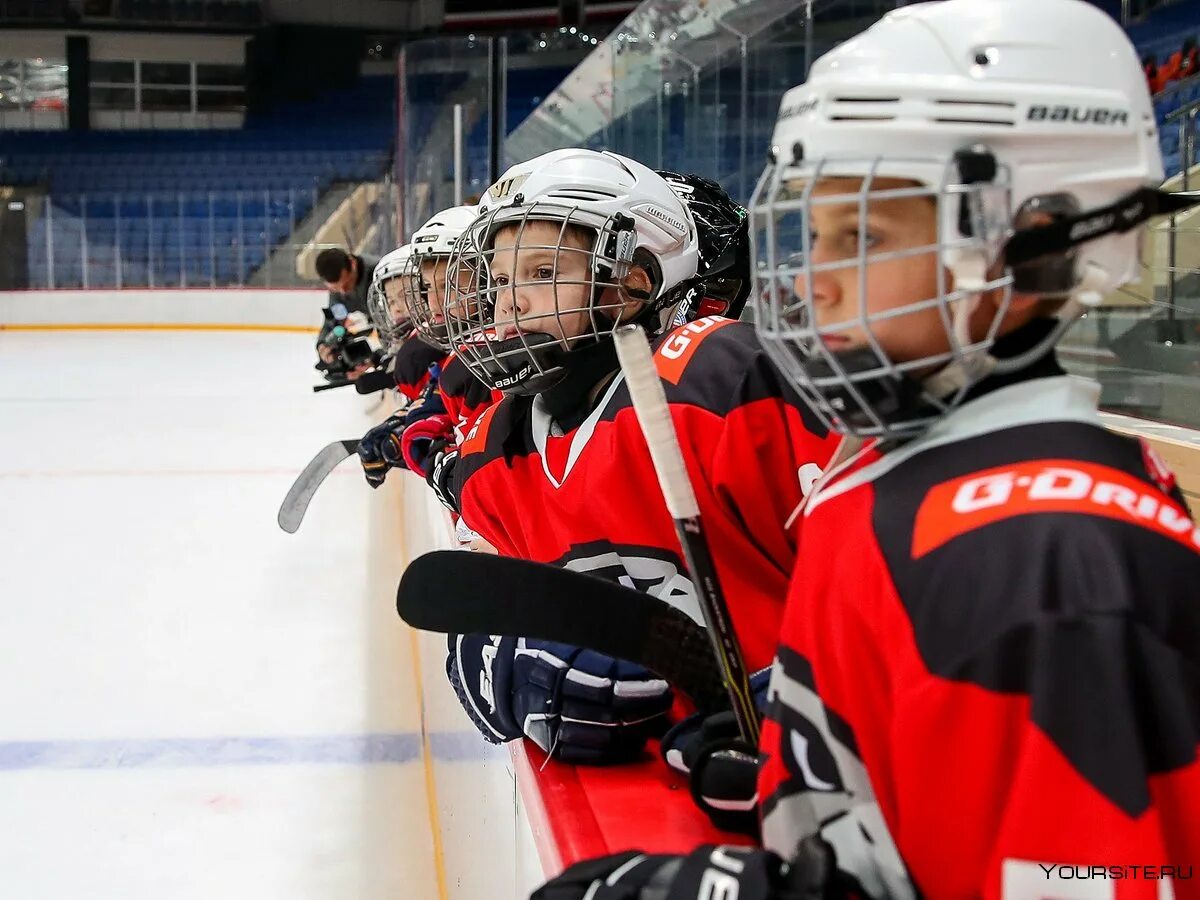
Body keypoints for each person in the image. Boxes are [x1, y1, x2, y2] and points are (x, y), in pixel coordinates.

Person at [531, 0, 1200, 896]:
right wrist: (779, 723)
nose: (815, 279)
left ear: (1030, 249)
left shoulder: (1052, 561)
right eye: (815, 234)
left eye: (865, 237)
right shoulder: (904, 467)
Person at [430, 150, 839, 765]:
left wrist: (801, 708)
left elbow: (875, 587)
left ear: (633, 283)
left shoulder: (720, 384)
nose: (510, 303)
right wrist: (497, 659)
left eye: (543, 273)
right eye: (502, 279)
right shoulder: (491, 452)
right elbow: (485, 610)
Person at [356, 207, 477, 487]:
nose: (434, 304)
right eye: (427, 289)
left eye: (448, 287)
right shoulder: (455, 358)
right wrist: (408, 429)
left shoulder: (477, 361)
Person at [315, 247, 378, 316]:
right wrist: (341, 323)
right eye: (335, 289)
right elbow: (333, 318)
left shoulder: (377, 272)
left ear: (352, 263)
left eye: (346, 285)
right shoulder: (337, 290)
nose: (343, 292)